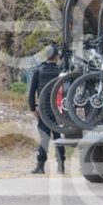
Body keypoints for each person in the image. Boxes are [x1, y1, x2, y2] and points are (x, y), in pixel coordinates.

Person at [28, 44, 66, 174]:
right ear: (56, 56)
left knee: (44, 138)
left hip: (44, 109)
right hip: (58, 109)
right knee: (58, 138)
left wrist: (33, 108)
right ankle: (61, 167)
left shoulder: (38, 71)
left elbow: (32, 92)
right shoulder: (62, 72)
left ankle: (40, 166)